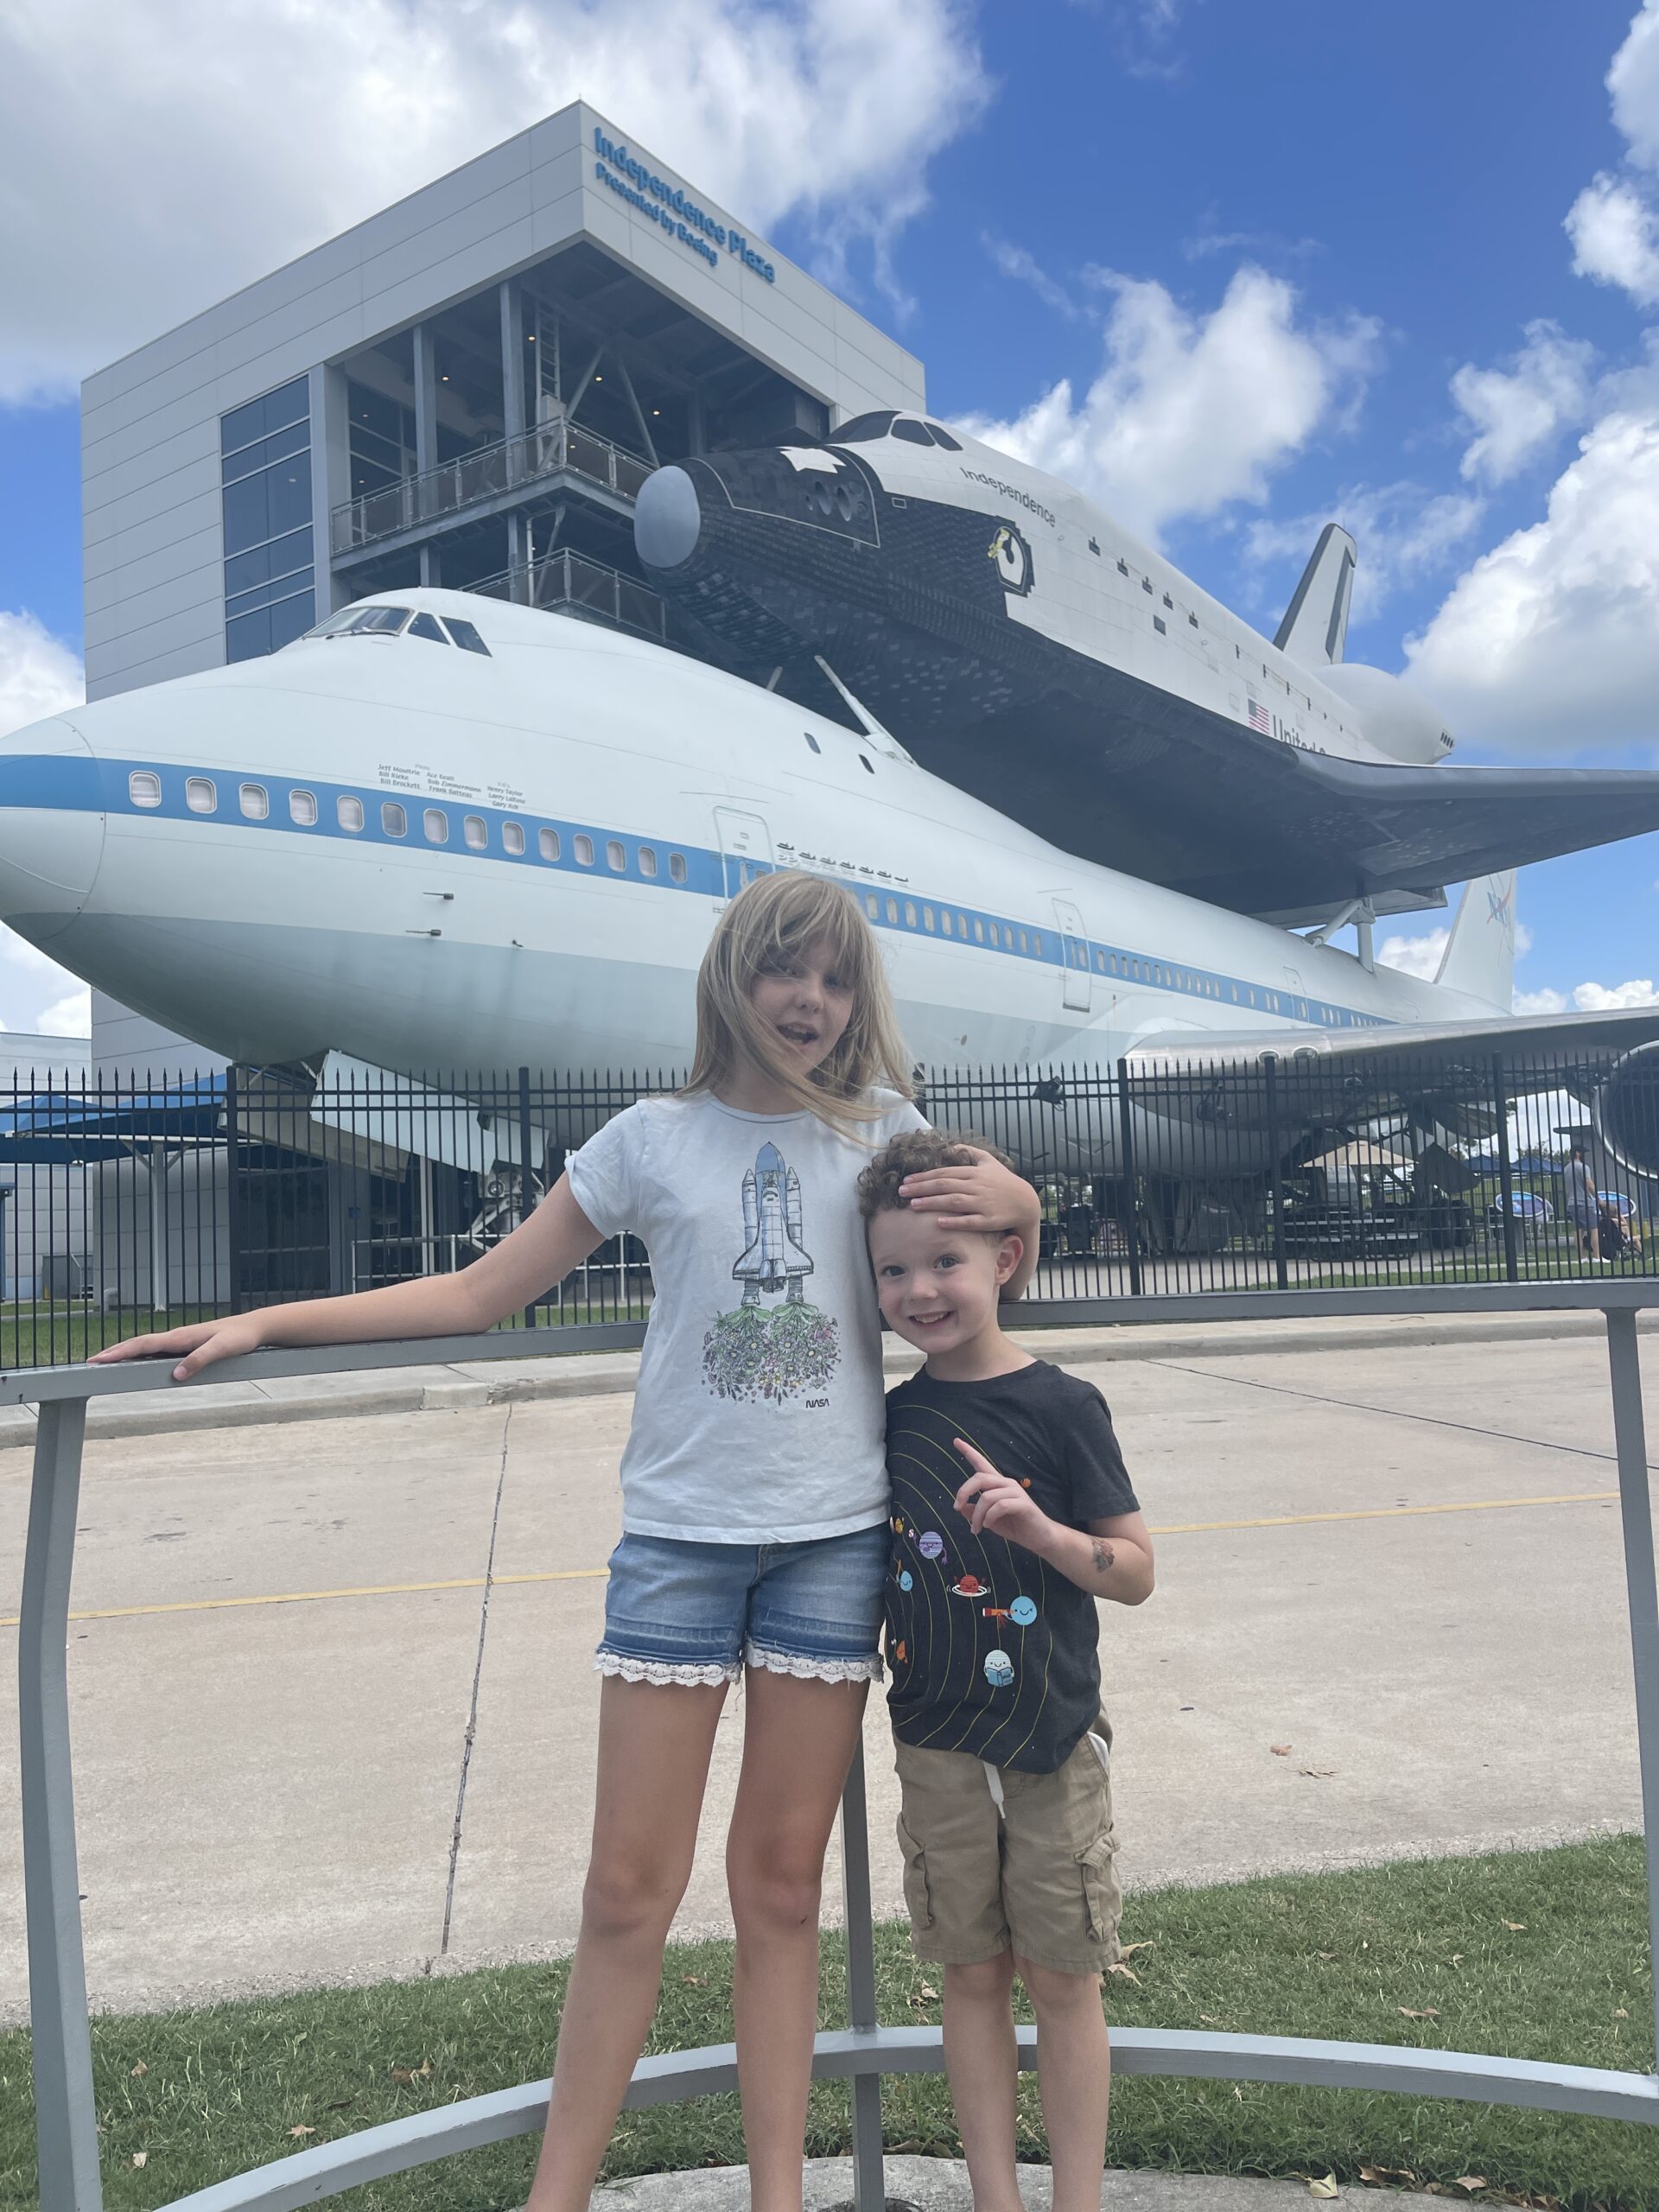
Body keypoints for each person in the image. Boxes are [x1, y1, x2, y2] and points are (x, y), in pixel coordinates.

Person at [92, 872, 1041, 2212]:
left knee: (779, 1892)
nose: (808, 1002)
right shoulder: (650, 1139)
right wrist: (267, 1322)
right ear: (732, 980)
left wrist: (1024, 1207)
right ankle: (558, 2198)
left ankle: (783, 2197)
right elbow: (481, 1293)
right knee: (623, 1894)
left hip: (833, 1543)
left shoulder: (886, 1136)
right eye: (783, 971)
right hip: (678, 1546)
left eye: (832, 979)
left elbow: (993, 1251)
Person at [858, 1130, 1154, 2212]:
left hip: (1051, 1741)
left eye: (947, 1261)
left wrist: (1041, 1531)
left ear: (1008, 1261)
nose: (922, 1290)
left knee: (1065, 1981)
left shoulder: (1063, 1408)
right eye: (895, 1268)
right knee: (969, 1976)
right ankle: (999, 2199)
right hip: (933, 1743)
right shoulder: (887, 1419)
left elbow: (1133, 1573)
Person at [1564, 1141, 1605, 1262]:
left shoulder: (1566, 1168)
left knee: (1578, 1230)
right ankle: (1597, 1257)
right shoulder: (1583, 1167)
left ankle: (1582, 1257)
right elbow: (1589, 1184)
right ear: (1577, 1153)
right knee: (1594, 1228)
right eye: (1582, 1153)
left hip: (1571, 1202)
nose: (1583, 1155)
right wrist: (1597, 1198)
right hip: (1584, 1202)